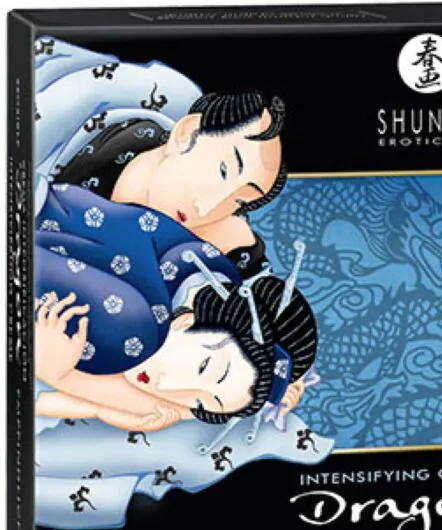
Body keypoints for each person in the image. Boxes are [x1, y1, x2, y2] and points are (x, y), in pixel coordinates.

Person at [35, 184, 317, 432]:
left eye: (198, 402)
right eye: (204, 367)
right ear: (187, 320)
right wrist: (57, 375)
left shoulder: (206, 265)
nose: (166, 388)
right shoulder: (133, 330)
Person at [52, 91, 287, 277]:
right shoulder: (95, 154)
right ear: (187, 133)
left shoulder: (228, 243)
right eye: (223, 171)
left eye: (239, 202)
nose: (204, 209)